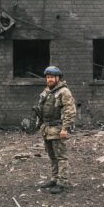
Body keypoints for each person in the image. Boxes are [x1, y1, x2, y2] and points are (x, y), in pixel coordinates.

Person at [36, 66, 76, 194]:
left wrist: (65, 129)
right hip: (47, 130)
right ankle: (54, 178)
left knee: (61, 157)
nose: (50, 80)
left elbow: (70, 111)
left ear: (57, 78)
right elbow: (40, 109)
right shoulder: (46, 92)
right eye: (48, 77)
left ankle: (62, 182)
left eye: (52, 77)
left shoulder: (64, 92)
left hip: (58, 129)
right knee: (52, 156)